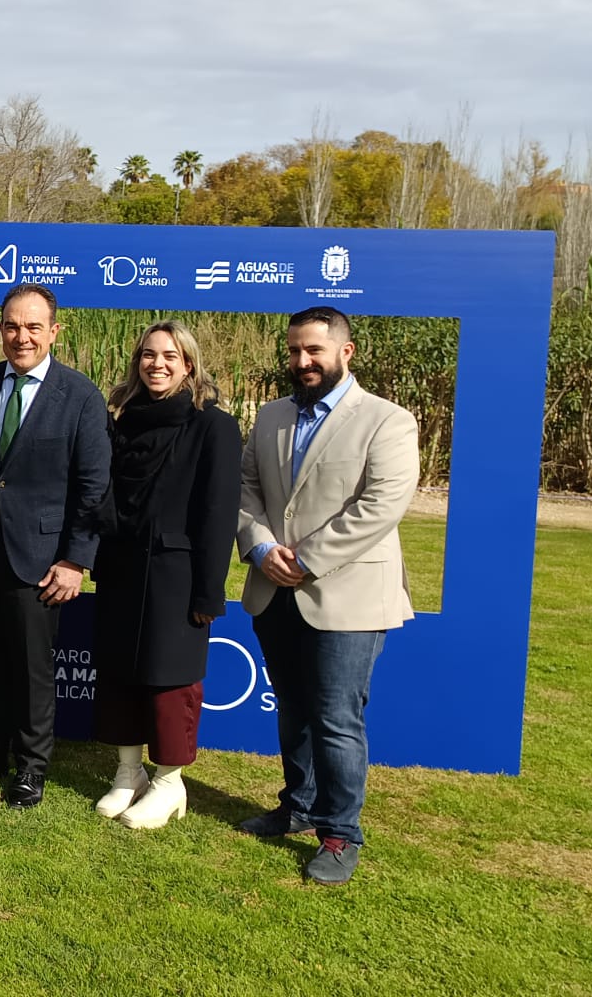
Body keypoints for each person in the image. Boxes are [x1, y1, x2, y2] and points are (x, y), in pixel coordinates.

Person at [235, 305, 418, 886]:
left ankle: (341, 833)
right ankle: (299, 805)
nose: (302, 361)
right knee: (293, 706)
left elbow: (382, 504)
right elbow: (246, 491)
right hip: (274, 588)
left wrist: (307, 560)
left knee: (337, 717)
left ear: (346, 351)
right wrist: (262, 549)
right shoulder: (270, 417)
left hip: (348, 594)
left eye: (314, 350)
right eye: (294, 351)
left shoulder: (387, 421)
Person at [0, 282, 110, 807]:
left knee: (34, 671)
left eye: (33, 326)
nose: (21, 336)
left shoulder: (79, 396)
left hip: (42, 560)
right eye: (12, 326)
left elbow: (93, 487)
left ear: (54, 332)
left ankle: (31, 769)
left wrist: (76, 560)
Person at [90, 321, 242, 829]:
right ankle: (128, 771)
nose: (156, 364)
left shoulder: (212, 426)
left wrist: (208, 590)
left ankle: (168, 782)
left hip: (177, 576)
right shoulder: (122, 420)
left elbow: (218, 514)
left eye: (170, 357)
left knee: (169, 681)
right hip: (121, 569)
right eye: (148, 355)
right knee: (119, 673)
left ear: (189, 365)